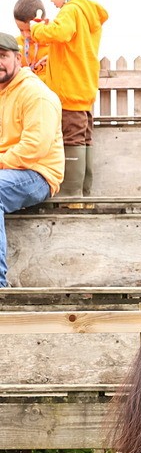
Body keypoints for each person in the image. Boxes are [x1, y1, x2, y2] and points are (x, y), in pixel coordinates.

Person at [29, 0, 109, 197]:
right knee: (84, 138)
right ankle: (83, 192)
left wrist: (35, 30)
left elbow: (59, 34)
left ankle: (71, 196)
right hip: (84, 89)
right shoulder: (87, 12)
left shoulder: (70, 10)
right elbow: (66, 34)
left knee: (71, 139)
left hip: (69, 92)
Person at [0, 32, 64, 288]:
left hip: (37, 174)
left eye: (2, 56)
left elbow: (34, 148)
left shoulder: (36, 94)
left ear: (17, 58)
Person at [13, 0, 48, 74]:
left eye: (30, 30)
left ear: (44, 22)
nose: (26, 35)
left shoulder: (55, 45)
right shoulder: (14, 45)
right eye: (21, 30)